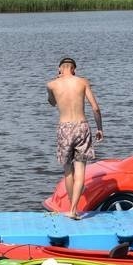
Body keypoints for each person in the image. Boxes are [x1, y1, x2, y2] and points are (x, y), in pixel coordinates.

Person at [46, 57, 103, 220]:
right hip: (81, 126)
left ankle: (72, 207)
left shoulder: (51, 84)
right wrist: (99, 128)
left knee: (68, 171)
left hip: (64, 128)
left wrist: (54, 89)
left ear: (59, 70)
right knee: (80, 171)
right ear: (74, 69)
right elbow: (95, 108)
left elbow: (51, 103)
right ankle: (73, 210)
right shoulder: (82, 82)